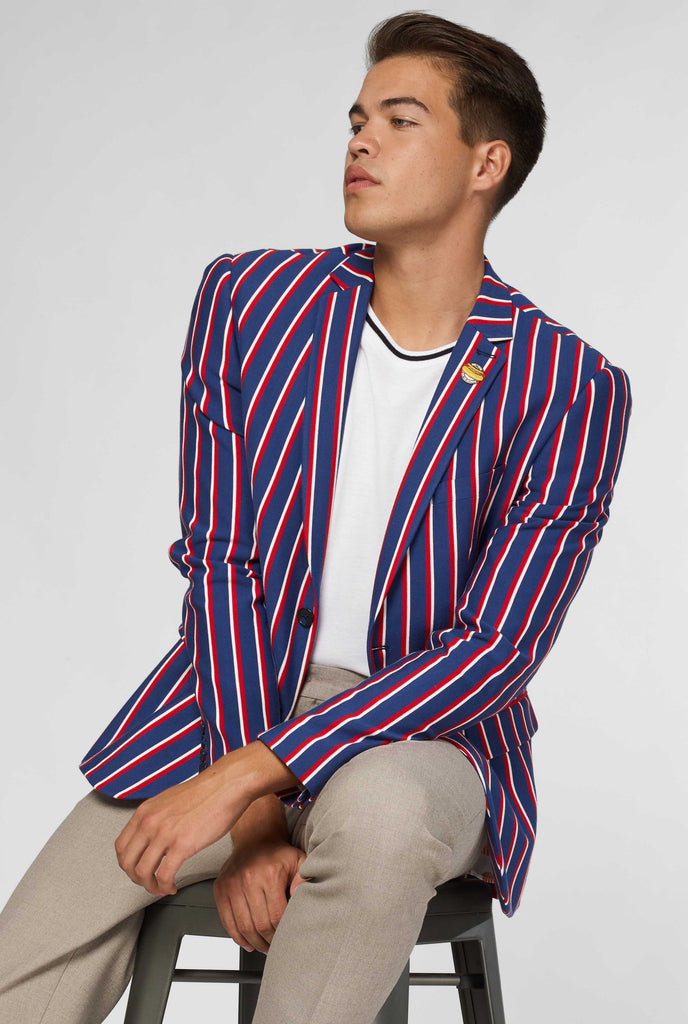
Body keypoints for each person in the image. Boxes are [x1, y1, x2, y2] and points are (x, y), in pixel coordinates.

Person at [0, 11, 631, 1024]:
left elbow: (496, 647)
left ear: (486, 162)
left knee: (377, 817)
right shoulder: (251, 301)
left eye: (399, 118)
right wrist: (251, 811)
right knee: (19, 972)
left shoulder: (568, 383)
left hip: (432, 737)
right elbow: (222, 563)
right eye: (354, 117)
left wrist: (255, 771)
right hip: (228, 702)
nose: (359, 139)